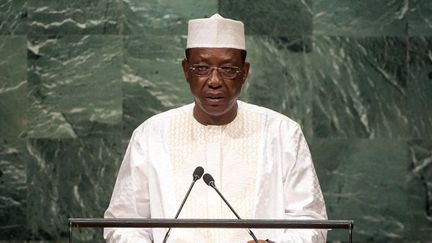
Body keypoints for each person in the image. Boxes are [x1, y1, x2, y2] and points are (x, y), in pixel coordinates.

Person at [104, 13, 327, 243]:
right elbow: (123, 223)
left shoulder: (282, 134)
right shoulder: (151, 135)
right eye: (201, 68)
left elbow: (311, 221)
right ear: (185, 70)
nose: (214, 81)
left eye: (228, 69)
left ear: (245, 73)